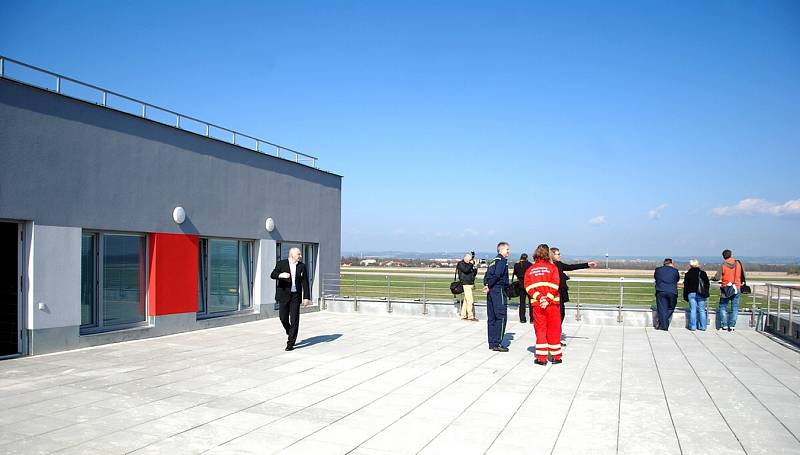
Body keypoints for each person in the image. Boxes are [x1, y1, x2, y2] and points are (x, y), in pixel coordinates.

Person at [550, 248, 598, 344]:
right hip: (554, 294)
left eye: (559, 254)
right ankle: (553, 338)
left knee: (561, 314)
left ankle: (555, 337)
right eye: (557, 254)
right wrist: (564, 276)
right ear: (552, 255)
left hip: (561, 293)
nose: (559, 256)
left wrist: (587, 265)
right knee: (557, 316)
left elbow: (571, 267)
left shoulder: (559, 264)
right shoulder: (550, 266)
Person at [524, 244, 562, 366]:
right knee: (554, 329)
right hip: (552, 304)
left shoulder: (530, 270)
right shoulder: (552, 268)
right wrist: (548, 299)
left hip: (537, 305)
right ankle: (556, 356)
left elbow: (528, 287)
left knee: (540, 330)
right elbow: (555, 284)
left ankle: (541, 358)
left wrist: (540, 298)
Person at [270, 247, 311, 351]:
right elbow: (272, 275)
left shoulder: (302, 266)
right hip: (283, 295)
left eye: (300, 254)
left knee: (294, 319)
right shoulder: (281, 263)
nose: (300, 256)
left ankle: (290, 342)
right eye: (298, 254)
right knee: (283, 318)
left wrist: (306, 297)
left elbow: (305, 282)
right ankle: (289, 330)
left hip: (295, 296)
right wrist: (281, 275)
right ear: (291, 254)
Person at [483, 242, 510, 352]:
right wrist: (490, 285)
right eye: (507, 249)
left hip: (491, 291)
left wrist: (487, 285)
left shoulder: (493, 261)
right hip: (498, 290)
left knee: (492, 317)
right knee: (501, 316)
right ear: (501, 250)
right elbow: (498, 274)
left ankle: (492, 342)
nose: (508, 251)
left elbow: (486, 276)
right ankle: (497, 342)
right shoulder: (501, 260)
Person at [717, 249, 743, 332]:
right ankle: (732, 325)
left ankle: (724, 325)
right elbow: (743, 274)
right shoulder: (738, 263)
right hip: (737, 286)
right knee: (735, 307)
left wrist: (713, 279)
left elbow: (717, 277)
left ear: (724, 256)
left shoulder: (723, 265)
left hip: (726, 288)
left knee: (722, 306)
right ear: (731, 255)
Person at [683, 259, 710, 331]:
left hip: (691, 293)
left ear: (690, 265)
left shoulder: (688, 274)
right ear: (698, 264)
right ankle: (703, 326)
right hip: (701, 293)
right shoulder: (702, 273)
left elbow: (686, 286)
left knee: (693, 310)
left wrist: (685, 296)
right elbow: (707, 284)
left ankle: (693, 326)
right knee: (701, 310)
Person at [654, 258, 680, 330]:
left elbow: (656, 277)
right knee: (671, 307)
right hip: (672, 291)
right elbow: (677, 279)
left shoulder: (658, 270)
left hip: (660, 290)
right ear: (671, 263)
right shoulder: (675, 271)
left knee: (662, 308)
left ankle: (662, 323)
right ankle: (664, 325)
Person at [456, 253, 479, 321]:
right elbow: (466, 270)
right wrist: (471, 264)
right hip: (465, 284)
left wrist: (475, 267)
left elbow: (473, 274)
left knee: (466, 301)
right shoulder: (461, 264)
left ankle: (463, 315)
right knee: (470, 300)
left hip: (470, 283)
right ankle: (470, 316)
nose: (470, 261)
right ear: (465, 258)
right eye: (469, 260)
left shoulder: (469, 265)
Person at [513, 253, 533, 323]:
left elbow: (515, 273)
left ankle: (522, 319)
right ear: (527, 258)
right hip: (529, 284)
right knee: (531, 302)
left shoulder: (517, 265)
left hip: (520, 284)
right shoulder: (530, 264)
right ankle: (532, 319)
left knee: (522, 302)